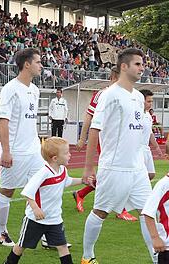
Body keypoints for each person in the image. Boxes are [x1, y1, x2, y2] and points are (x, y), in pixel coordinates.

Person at [81, 48, 154, 264]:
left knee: (149, 213)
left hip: (137, 168)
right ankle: (87, 257)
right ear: (124, 66)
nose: (142, 68)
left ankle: (158, 257)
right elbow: (95, 129)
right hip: (115, 167)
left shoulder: (139, 97)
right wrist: (88, 167)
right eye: (138, 64)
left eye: (143, 64)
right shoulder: (109, 94)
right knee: (100, 212)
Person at [3, 137, 91, 264]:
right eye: (66, 153)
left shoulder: (62, 170)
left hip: (55, 219)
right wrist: (35, 208)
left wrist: (83, 181)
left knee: (63, 246)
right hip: (35, 219)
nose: (70, 155)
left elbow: (66, 181)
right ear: (55, 158)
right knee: (21, 246)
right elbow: (28, 191)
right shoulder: (43, 172)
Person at [73, 66, 138, 222]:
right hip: (108, 141)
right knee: (113, 174)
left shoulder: (129, 95)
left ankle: (81, 194)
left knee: (118, 175)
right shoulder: (104, 94)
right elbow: (89, 117)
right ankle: (121, 209)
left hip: (122, 142)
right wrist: (82, 138)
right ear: (114, 77)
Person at [0, 48, 44, 246]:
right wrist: (6, 151)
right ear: (27, 64)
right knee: (8, 191)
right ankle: (1, 232)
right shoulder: (10, 89)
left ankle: (45, 233)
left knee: (42, 188)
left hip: (33, 151)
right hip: (15, 151)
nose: (41, 66)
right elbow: (3, 121)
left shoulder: (35, 90)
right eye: (38, 62)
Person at [142, 142, 169, 264]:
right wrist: (155, 237)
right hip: (167, 248)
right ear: (167, 158)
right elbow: (148, 213)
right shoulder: (163, 185)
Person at [140, 89, 163, 180]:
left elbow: (150, 133)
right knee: (141, 175)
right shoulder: (136, 115)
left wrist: (157, 148)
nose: (151, 104)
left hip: (146, 148)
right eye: (148, 101)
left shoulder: (148, 115)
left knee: (151, 174)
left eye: (152, 101)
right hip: (138, 149)